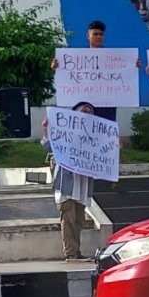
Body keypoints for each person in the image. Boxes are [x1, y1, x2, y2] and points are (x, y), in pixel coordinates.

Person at [52, 20, 141, 123]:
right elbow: (66, 76)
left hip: (106, 106)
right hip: (83, 105)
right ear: (88, 36)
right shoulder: (75, 58)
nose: (99, 37)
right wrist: (57, 67)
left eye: (101, 34)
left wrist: (133, 66)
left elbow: (124, 75)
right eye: (95, 34)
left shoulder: (113, 58)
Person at [41, 103, 98, 261]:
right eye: (84, 110)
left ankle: (76, 251)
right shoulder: (66, 132)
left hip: (83, 183)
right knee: (68, 217)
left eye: (90, 111)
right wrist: (46, 129)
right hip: (67, 183)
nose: (87, 114)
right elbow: (48, 145)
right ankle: (71, 252)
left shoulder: (94, 134)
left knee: (79, 220)